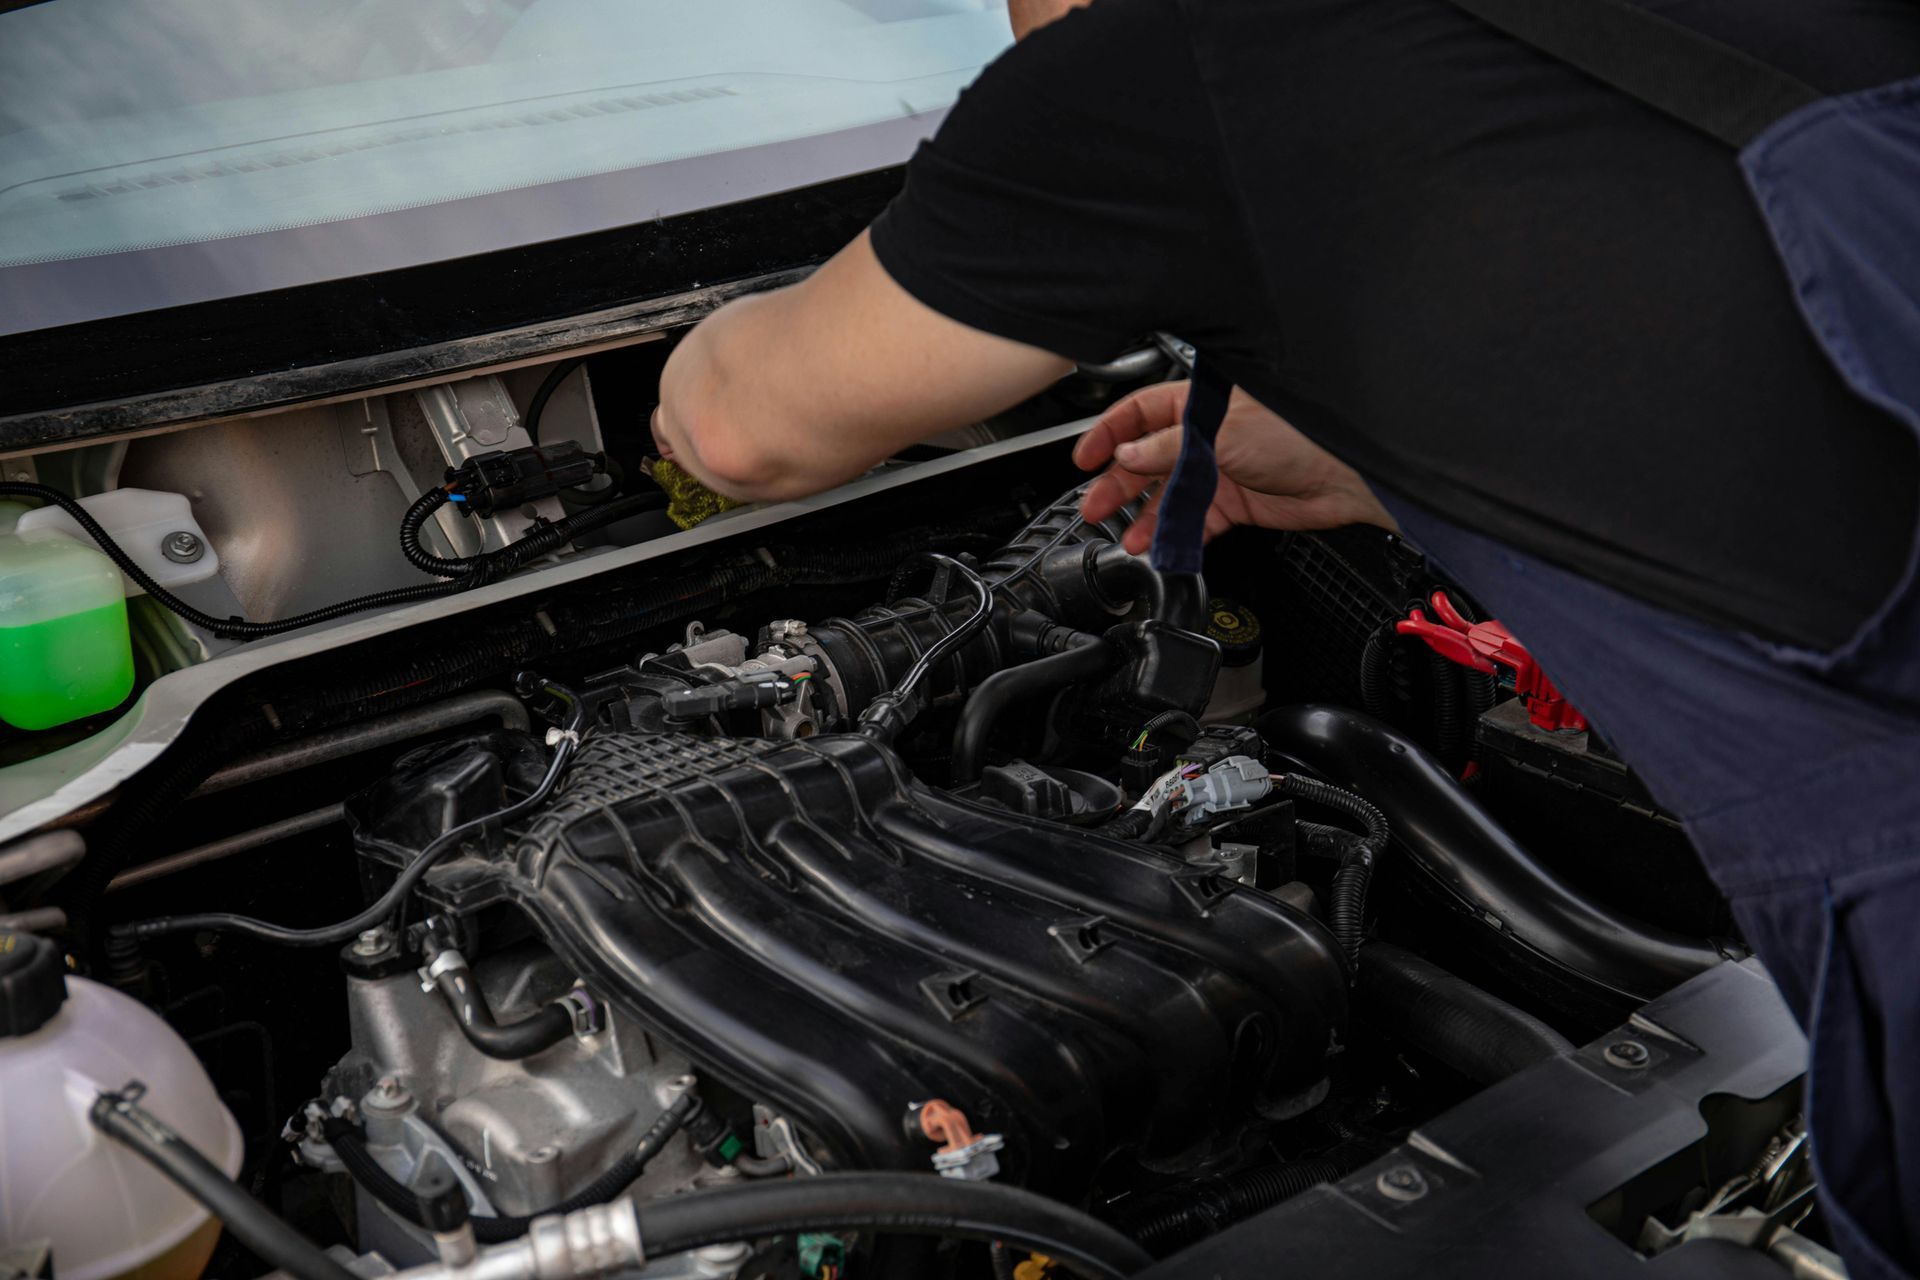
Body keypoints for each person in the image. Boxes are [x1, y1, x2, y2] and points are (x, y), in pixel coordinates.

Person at [652, 1, 1920, 1273]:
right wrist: (1375, 460)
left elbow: (743, 430)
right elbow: (1678, 306)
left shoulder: (1176, 58)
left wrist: (680, 351)